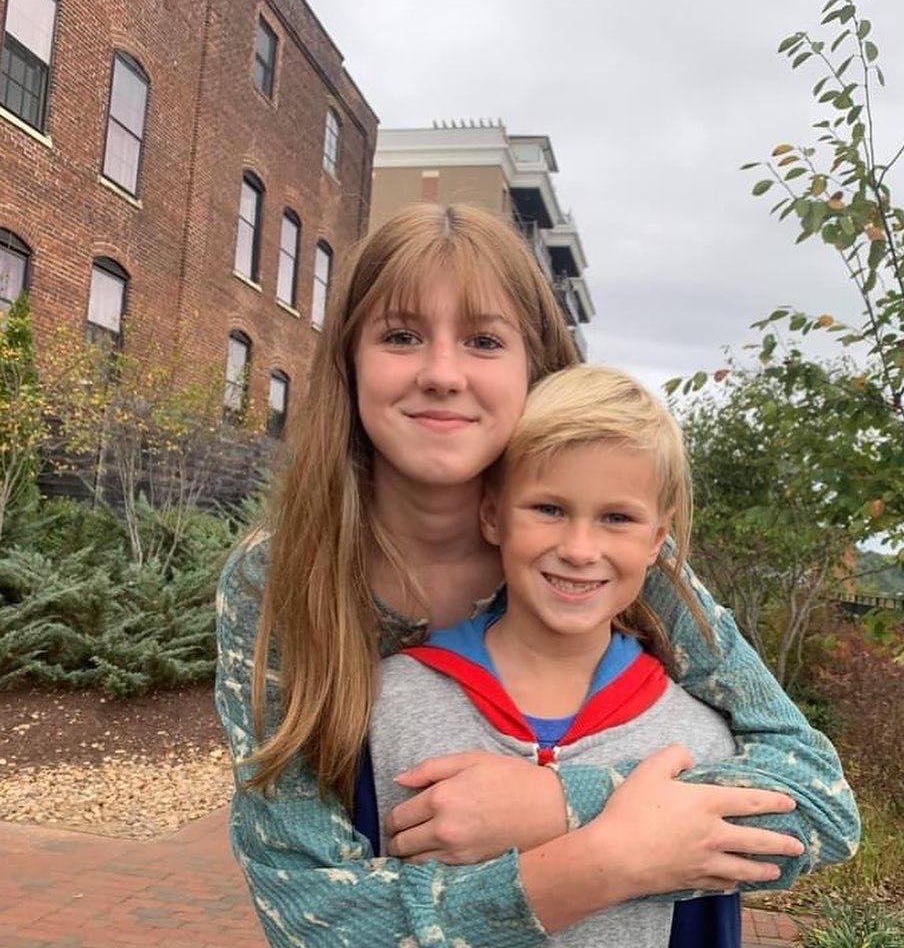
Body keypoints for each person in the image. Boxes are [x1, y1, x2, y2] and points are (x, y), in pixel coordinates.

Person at [215, 202, 860, 947]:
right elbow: (311, 913)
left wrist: (559, 804)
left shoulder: (603, 559)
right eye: (401, 336)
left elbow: (820, 802)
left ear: (536, 367)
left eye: (484, 341)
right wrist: (596, 865)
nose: (442, 374)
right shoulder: (281, 577)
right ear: (350, 362)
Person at [370, 364, 756, 947]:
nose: (579, 549)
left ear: (658, 540)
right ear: (493, 515)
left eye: (617, 518)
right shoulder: (389, 704)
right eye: (549, 508)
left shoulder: (698, 742)